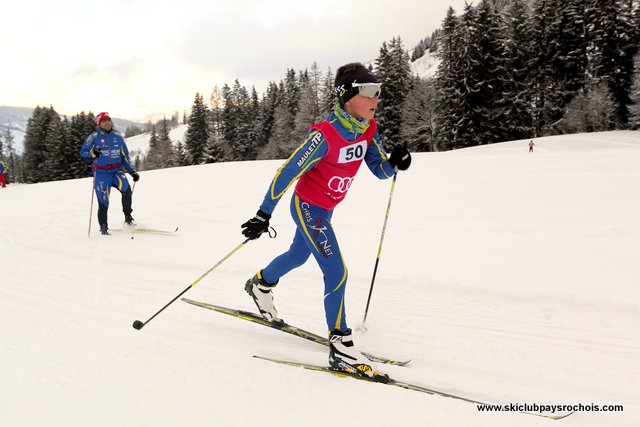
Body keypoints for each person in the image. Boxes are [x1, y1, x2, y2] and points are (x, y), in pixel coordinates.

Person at [240, 63, 411, 379]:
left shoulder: (367, 130)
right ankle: (341, 343)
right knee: (336, 270)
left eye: (379, 91)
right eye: (370, 91)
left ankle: (260, 284)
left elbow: (380, 170)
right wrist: (264, 214)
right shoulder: (324, 135)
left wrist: (395, 163)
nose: (377, 98)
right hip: (308, 207)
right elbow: (287, 172)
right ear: (348, 96)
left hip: (327, 209)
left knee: (298, 255)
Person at [80, 112, 140, 235]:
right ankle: (103, 228)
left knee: (126, 190)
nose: (107, 122)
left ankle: (128, 218)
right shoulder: (93, 137)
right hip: (101, 173)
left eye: (108, 120)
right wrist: (92, 154)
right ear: (99, 123)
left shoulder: (118, 137)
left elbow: (124, 157)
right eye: (104, 121)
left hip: (116, 171)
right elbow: (83, 153)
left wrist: (132, 171)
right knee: (103, 202)